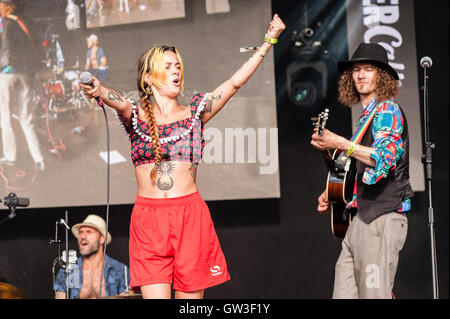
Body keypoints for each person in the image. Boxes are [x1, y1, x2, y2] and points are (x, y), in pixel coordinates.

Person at [80, 14, 285, 299]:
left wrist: (268, 42)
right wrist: (99, 89)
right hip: (148, 222)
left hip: (190, 219)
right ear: (148, 78)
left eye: (178, 66)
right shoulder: (136, 117)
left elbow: (234, 83)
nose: (176, 71)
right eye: (167, 67)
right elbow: (116, 100)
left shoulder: (196, 113)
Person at [311, 43, 414, 299]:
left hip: (381, 217)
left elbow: (382, 158)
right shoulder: (366, 116)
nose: (361, 75)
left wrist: (340, 143)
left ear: (382, 76)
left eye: (369, 69)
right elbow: (359, 169)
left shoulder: (388, 110)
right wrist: (333, 192)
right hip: (360, 220)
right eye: (356, 70)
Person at [0, 0, 45, 171]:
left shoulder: (3, 23)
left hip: (7, 74)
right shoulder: (25, 24)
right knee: (26, 119)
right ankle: (39, 160)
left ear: (8, 7)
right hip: (25, 75)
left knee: (5, 118)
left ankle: (11, 157)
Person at [54, 214, 130, 299]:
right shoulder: (67, 269)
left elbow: (128, 296)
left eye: (88, 232)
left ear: (101, 239)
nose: (82, 236)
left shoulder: (120, 270)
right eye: (81, 232)